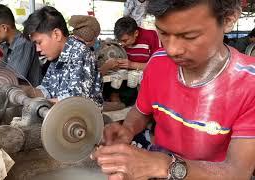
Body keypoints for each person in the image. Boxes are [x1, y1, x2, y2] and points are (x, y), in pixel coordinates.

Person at [92, 0, 255, 179]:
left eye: (189, 36)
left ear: (228, 20)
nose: (172, 50)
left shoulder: (249, 83)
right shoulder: (157, 62)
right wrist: (129, 128)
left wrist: (165, 165)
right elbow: (141, 112)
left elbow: (238, 172)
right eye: (163, 33)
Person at [22, 6, 103, 107]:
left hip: (83, 118)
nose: (37, 49)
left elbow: (75, 101)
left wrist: (36, 104)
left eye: (39, 42)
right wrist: (27, 91)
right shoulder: (56, 57)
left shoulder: (80, 53)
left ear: (56, 34)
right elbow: (46, 90)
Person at [101, 16, 160, 106]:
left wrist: (132, 65)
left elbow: (158, 65)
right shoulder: (121, 42)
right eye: (120, 41)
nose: (122, 44)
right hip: (124, 81)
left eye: (125, 40)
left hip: (144, 80)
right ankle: (116, 104)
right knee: (110, 86)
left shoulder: (151, 36)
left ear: (136, 33)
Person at [0, 4, 42, 86]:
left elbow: (13, 79)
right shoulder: (8, 45)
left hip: (29, 95)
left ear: (4, 28)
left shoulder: (23, 43)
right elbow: (0, 69)